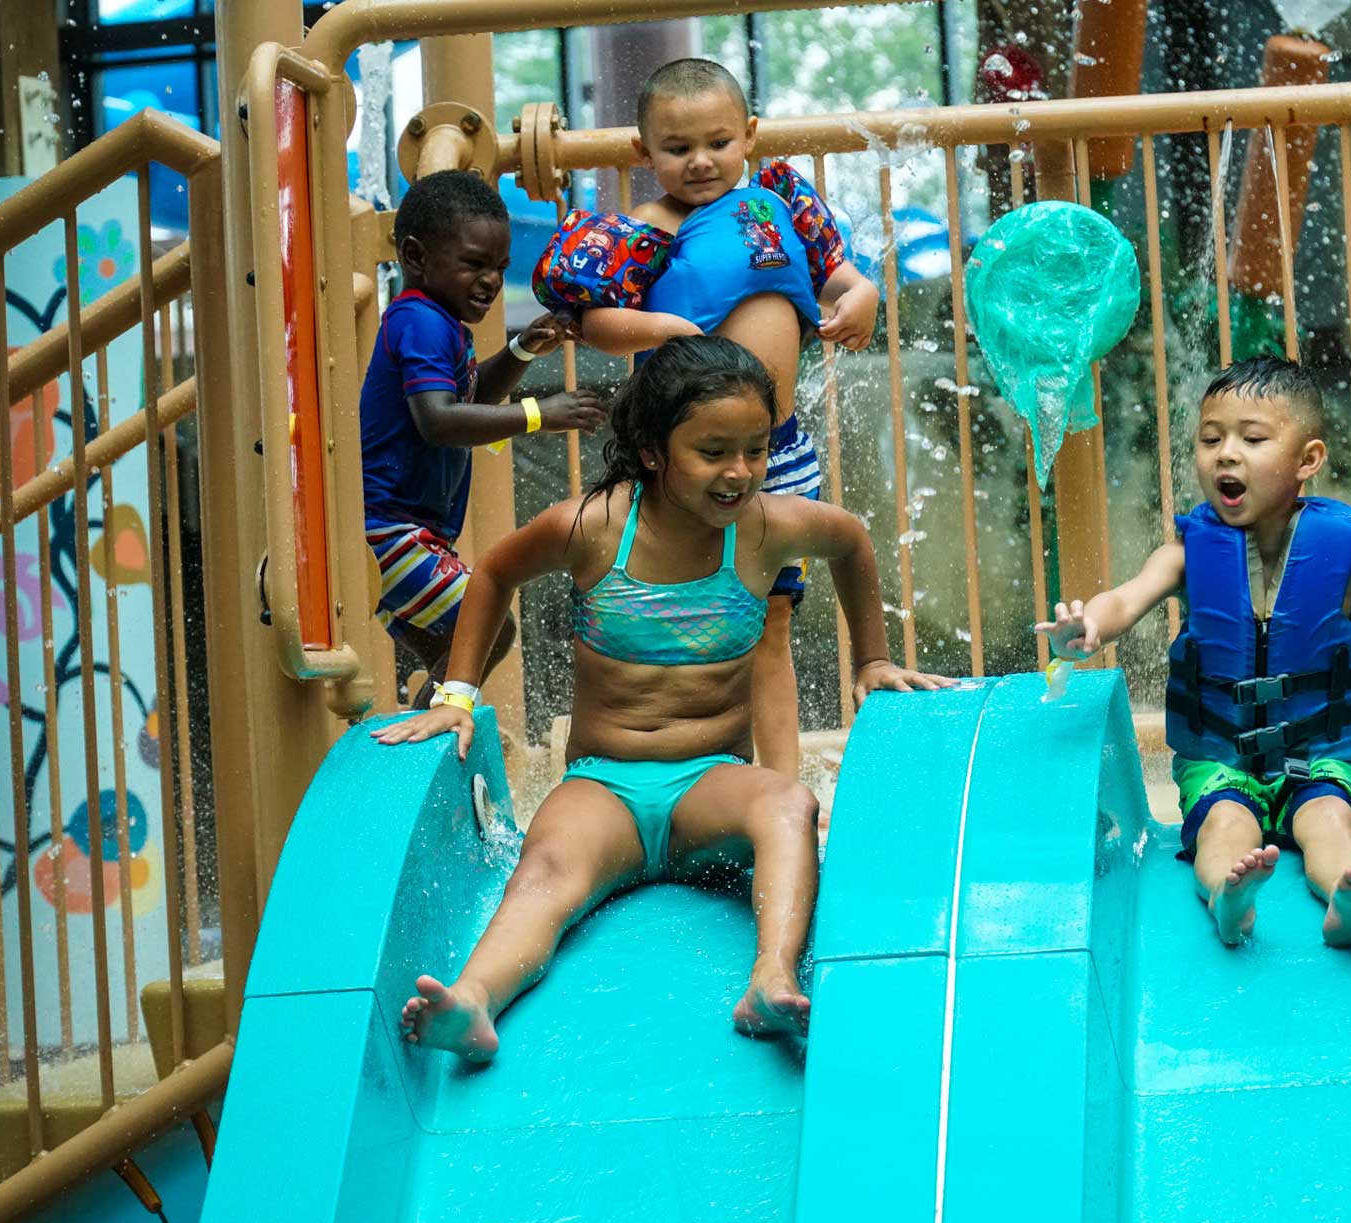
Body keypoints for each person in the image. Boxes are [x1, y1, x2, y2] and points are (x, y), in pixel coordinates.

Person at [377, 335, 948, 1061]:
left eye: (756, 448)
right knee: (547, 870)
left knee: (788, 805)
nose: (739, 472)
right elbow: (492, 574)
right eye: (713, 451)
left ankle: (771, 976)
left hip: (707, 783)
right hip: (603, 787)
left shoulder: (769, 528)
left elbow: (852, 542)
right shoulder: (592, 528)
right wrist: (457, 694)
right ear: (652, 451)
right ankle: (475, 1001)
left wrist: (872, 659)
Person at [533, 56, 882, 778]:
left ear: (749, 136)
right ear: (643, 151)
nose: (700, 162)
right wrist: (660, 328)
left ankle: (783, 790)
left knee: (771, 620)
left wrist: (861, 294)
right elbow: (595, 322)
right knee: (701, 621)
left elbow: (836, 273)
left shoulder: (780, 202)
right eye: (677, 148)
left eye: (718, 143)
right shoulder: (637, 233)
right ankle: (698, 773)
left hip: (774, 452)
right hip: (686, 462)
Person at [1037, 356, 1351, 948]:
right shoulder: (1190, 552)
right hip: (1221, 761)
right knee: (1225, 825)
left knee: (1331, 818)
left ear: (1308, 460)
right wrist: (1086, 626)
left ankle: (1345, 895)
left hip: (1316, 754)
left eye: (1252, 438)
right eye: (1210, 439)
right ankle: (1227, 895)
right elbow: (1125, 598)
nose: (1226, 454)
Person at [360, 170, 603, 702]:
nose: (491, 280)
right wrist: (540, 413)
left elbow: (468, 399)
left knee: (452, 654)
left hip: (405, 531)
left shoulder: (437, 322)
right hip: (388, 532)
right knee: (489, 626)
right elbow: (440, 420)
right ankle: (435, 726)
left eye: (498, 267)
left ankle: (428, 739)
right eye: (474, 263)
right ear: (416, 256)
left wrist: (520, 351)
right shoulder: (421, 323)